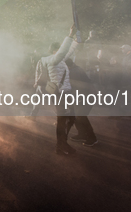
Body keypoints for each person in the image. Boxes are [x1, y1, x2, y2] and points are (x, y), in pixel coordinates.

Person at [40, 25, 79, 155]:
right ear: (55, 50)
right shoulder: (52, 59)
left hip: (65, 93)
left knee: (70, 118)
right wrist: (70, 35)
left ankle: (62, 143)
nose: (62, 51)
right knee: (63, 120)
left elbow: (68, 51)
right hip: (60, 94)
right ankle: (61, 145)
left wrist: (76, 40)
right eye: (60, 49)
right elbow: (64, 51)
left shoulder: (59, 59)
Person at [65, 59, 98, 147]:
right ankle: (82, 134)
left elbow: (76, 87)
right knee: (77, 116)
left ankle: (92, 138)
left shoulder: (73, 72)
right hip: (85, 96)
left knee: (81, 117)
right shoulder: (76, 69)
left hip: (85, 96)